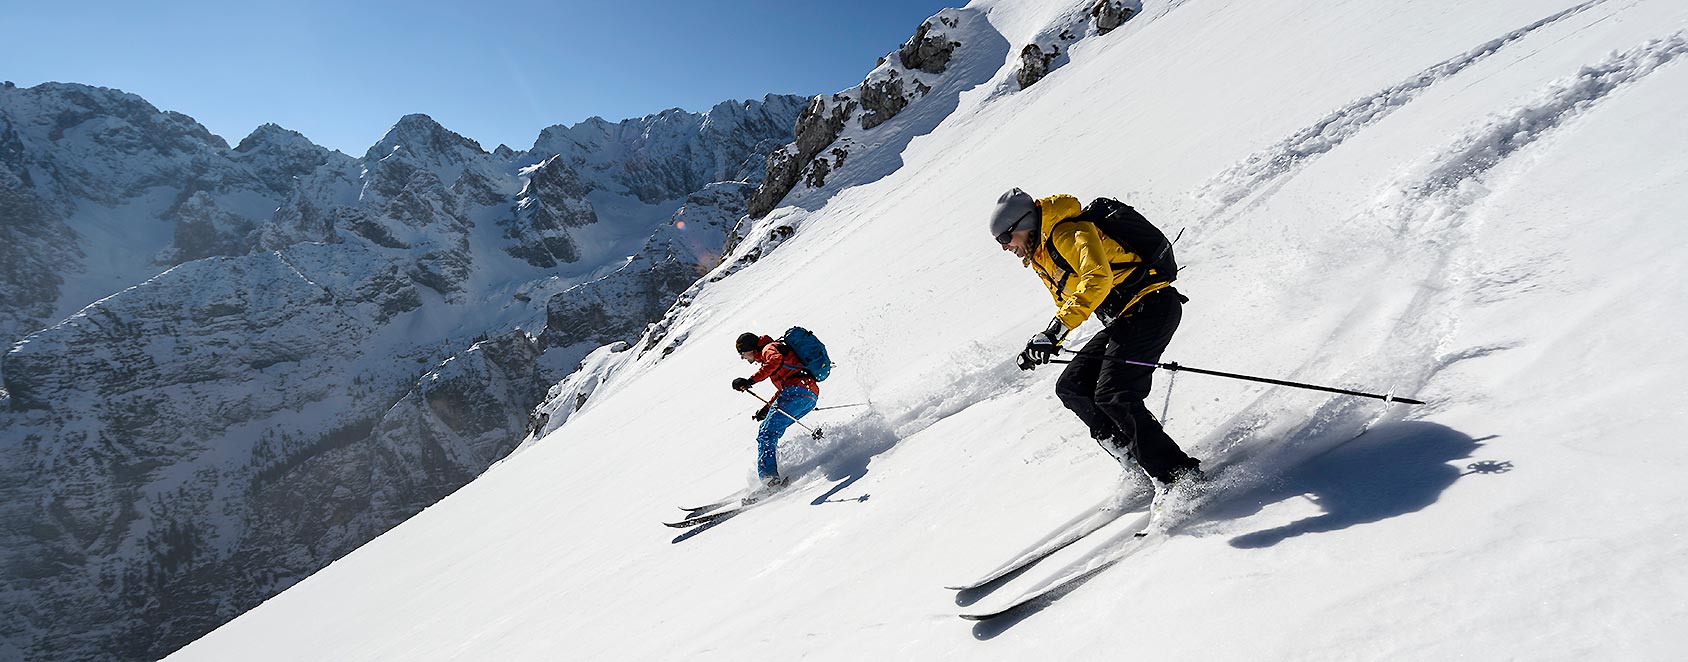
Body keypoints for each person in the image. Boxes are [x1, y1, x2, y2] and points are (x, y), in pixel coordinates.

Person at [990, 187, 1202, 492]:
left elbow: (1097, 278)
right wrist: (1048, 342)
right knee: (1072, 386)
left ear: (1022, 226)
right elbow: (1072, 303)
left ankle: (1179, 477)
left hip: (1151, 306)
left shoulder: (1069, 233)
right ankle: (1133, 457)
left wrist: (1054, 332)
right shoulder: (1043, 257)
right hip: (1126, 318)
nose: (1005, 247)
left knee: (1115, 394)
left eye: (1005, 238)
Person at [730, 331, 820, 495]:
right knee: (769, 429)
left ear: (750, 348)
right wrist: (766, 409)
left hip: (797, 391)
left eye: (742, 353)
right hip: (808, 394)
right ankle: (770, 477)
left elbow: (775, 361)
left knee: (766, 432)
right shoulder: (770, 350)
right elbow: (784, 388)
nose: (743, 358)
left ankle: (770, 481)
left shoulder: (768, 349)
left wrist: (750, 381)